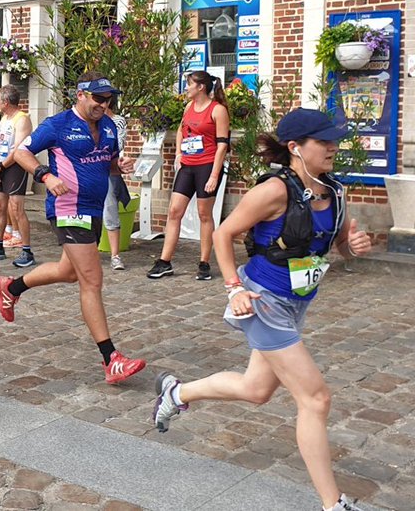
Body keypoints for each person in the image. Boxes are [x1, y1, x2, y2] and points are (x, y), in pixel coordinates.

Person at [152, 108, 373, 511]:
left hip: (295, 304)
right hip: (262, 301)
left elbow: (337, 244)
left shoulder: (334, 191)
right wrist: (233, 289)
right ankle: (333, 504)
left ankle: (177, 392)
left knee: (256, 390)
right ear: (295, 147)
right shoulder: (274, 191)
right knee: (316, 399)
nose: (332, 147)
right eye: (322, 141)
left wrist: (352, 247)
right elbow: (224, 233)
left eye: (333, 140)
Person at [0, 72, 147, 385]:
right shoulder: (58, 124)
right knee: (92, 279)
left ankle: (12, 288)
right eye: (98, 98)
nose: (103, 104)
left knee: (68, 271)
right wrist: (45, 175)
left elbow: (108, 163)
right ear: (80, 95)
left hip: (93, 208)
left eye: (108, 99)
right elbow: (21, 152)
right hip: (67, 208)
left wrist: (121, 166)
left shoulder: (108, 126)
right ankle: (111, 359)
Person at [149, 70, 230, 281]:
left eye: (189, 84)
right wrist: (178, 153)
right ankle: (164, 261)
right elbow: (180, 130)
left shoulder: (217, 110)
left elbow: (222, 145)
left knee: (205, 214)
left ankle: (204, 263)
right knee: (174, 211)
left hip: (207, 166)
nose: (186, 88)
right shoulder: (188, 107)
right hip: (188, 165)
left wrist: (214, 175)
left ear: (200, 87)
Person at [0, 85, 35, 268]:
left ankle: (26, 250)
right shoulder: (4, 118)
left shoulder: (22, 119)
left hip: (15, 166)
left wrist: (1, 167)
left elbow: (18, 149)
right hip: (1, 165)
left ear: (6, 102)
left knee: (17, 208)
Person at [104, 97, 131, 270]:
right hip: (89, 168)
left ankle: (115, 255)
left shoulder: (117, 121)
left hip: (109, 169)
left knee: (110, 207)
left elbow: (118, 145)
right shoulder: (87, 120)